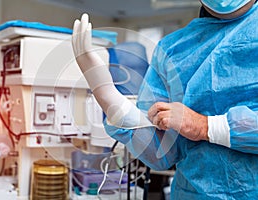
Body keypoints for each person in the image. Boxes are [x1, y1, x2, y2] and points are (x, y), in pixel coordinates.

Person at [72, 0, 258, 199]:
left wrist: (205, 126)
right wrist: (107, 94)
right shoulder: (172, 49)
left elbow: (197, 126)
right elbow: (161, 153)